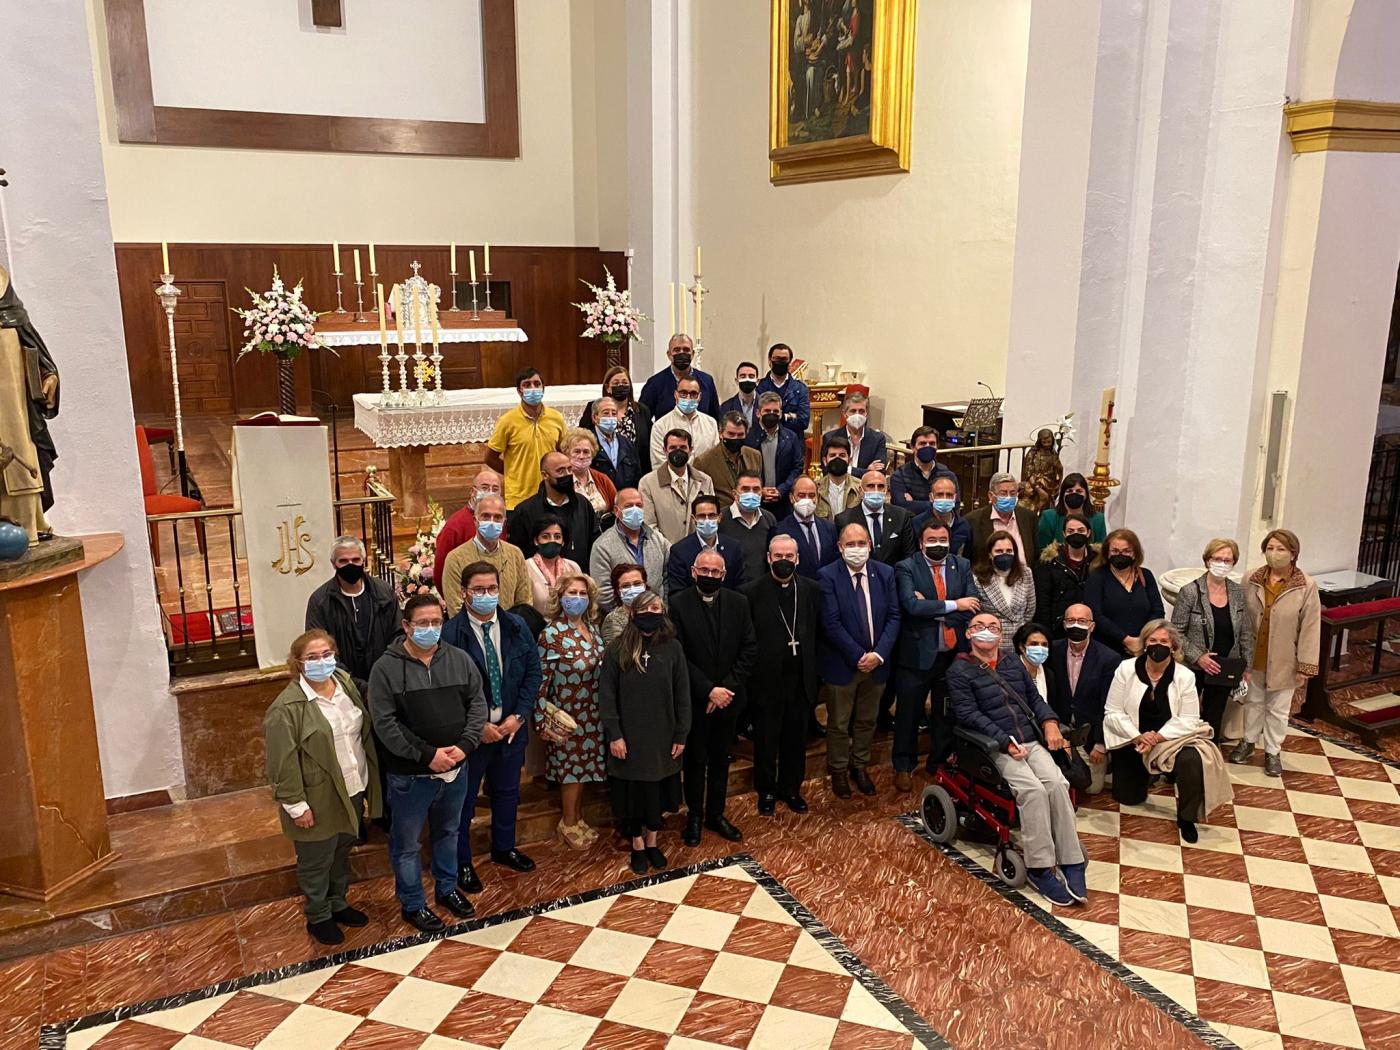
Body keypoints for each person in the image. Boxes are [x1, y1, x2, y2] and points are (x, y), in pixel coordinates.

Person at [947, 612, 1087, 907]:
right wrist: (1004, 741)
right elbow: (967, 714)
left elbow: (1034, 700)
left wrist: (1049, 721)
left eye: (993, 627)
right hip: (994, 745)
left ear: (1002, 635)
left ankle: (1071, 859)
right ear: (969, 634)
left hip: (1030, 739)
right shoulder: (959, 670)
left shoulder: (1012, 662)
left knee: (1058, 784)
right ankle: (1039, 867)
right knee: (1033, 791)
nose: (987, 631)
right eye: (980, 627)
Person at [367, 594, 485, 931]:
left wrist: (464, 746)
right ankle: (413, 903)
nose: (430, 629)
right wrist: (426, 755)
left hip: (456, 769)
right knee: (407, 845)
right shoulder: (385, 668)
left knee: (448, 833)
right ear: (406, 626)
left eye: (436, 622)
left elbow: (477, 704)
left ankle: (447, 889)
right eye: (422, 624)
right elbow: (385, 723)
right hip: (411, 775)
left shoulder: (459, 659)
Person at [265, 629, 381, 945]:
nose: (322, 662)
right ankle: (318, 915)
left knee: (342, 850)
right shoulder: (286, 708)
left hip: (352, 786)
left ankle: (338, 903)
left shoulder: (344, 685)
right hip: (315, 797)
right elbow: (281, 762)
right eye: (313, 657)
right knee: (317, 859)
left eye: (327, 654)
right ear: (298, 663)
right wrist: (295, 805)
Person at [442, 562, 542, 893]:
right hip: (472, 737)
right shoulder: (450, 634)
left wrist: (521, 714)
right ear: (464, 593)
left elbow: (532, 673)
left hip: (511, 728)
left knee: (507, 793)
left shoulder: (515, 626)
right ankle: (462, 862)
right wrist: (476, 726)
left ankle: (504, 847)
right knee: (465, 801)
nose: (487, 596)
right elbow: (447, 690)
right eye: (479, 590)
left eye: (492, 589)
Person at [1105, 620, 1231, 842]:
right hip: (1134, 737)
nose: (1158, 645)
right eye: (1152, 640)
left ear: (1173, 646)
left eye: (1164, 641)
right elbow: (1112, 711)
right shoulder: (1126, 669)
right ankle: (1148, 775)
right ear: (1144, 644)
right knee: (1128, 798)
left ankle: (1187, 817)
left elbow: (1190, 719)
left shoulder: (1184, 676)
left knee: (1191, 761)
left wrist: (1157, 737)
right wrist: (1138, 736)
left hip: (1170, 738)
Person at [600, 590, 690, 875]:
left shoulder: (673, 648)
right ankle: (637, 844)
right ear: (632, 613)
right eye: (645, 608)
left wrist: (681, 734)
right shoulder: (617, 649)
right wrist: (614, 734)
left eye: (656, 607)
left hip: (663, 735)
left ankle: (653, 841)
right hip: (628, 736)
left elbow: (682, 694)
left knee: (656, 793)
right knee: (633, 794)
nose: (651, 612)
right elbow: (607, 696)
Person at [671, 549, 757, 845]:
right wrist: (708, 689)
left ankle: (716, 813)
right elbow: (679, 655)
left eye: (715, 572)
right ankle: (694, 815)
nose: (709, 576)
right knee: (695, 760)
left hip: (730, 699)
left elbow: (749, 649)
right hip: (696, 699)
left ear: (724, 575)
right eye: (704, 571)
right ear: (694, 572)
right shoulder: (678, 604)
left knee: (721, 759)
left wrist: (725, 690)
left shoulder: (739, 602)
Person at [892, 520, 977, 789]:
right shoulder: (906, 567)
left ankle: (937, 763)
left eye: (943, 540)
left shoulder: (961, 565)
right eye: (932, 540)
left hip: (952, 654)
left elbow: (972, 605)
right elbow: (911, 606)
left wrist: (931, 607)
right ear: (921, 543)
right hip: (917, 654)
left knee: (945, 713)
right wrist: (954, 604)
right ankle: (903, 766)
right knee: (909, 713)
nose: (938, 545)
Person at [819, 523, 901, 798]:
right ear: (840, 547)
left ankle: (860, 766)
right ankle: (839, 770)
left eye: (861, 543)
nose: (857, 549)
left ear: (870, 545)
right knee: (839, 723)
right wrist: (858, 656)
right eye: (850, 544)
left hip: (877, 664)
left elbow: (894, 616)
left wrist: (877, 655)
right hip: (843, 664)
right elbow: (830, 623)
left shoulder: (885, 573)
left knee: (867, 720)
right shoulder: (827, 576)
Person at [1231, 529, 1321, 777]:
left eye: (1280, 549)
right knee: (1253, 702)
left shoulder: (1305, 586)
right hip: (1253, 655)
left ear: (1293, 553)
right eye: (1270, 548)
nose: (1274, 554)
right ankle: (1248, 742)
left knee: (1278, 709)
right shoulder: (1252, 578)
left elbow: (1310, 628)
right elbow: (1239, 617)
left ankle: (1272, 751)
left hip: (1284, 658)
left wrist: (1305, 665)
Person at [743, 534, 819, 814]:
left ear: (797, 559)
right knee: (766, 741)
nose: (784, 561)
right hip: (766, 681)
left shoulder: (810, 590)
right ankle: (766, 791)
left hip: (800, 680)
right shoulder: (751, 592)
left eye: (789, 556)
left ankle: (791, 789)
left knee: (796, 741)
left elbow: (817, 633)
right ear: (768, 558)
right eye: (778, 556)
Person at [535, 572, 607, 848]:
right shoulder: (551, 634)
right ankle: (567, 821)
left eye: (582, 594)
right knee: (570, 772)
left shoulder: (593, 628)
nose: (577, 598)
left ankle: (577, 816)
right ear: (559, 597)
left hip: (593, 712)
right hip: (566, 714)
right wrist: (542, 719)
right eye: (571, 593)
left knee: (586, 769)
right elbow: (541, 681)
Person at [1172, 538, 1255, 745]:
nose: (1222, 563)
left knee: (1214, 716)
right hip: (1194, 667)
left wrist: (1247, 665)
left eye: (1228, 560)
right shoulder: (1190, 592)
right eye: (1218, 558)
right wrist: (1198, 657)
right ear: (1207, 560)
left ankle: (1208, 759)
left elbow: (1245, 631)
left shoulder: (1237, 592)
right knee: (1186, 716)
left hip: (1224, 666)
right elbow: (1176, 632)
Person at [304, 536, 400, 696]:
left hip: (386, 682)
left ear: (364, 561)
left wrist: (384, 677)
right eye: (343, 561)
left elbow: (398, 636)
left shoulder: (384, 592)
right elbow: (318, 649)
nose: (351, 565)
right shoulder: (320, 601)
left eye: (356, 560)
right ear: (333, 564)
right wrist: (357, 686)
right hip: (342, 688)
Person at [1047, 603, 1117, 795]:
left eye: (1082, 621)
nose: (1076, 625)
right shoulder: (1052, 651)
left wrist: (1101, 744)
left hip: (1090, 734)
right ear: (1064, 624)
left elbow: (1109, 705)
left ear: (1092, 626)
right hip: (1059, 730)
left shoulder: (1109, 658)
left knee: (1092, 789)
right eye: (1070, 620)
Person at [486, 368, 567, 510]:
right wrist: (513, 474)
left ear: (543, 388)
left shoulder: (556, 418)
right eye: (527, 385)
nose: (533, 388)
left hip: (551, 494)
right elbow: (490, 457)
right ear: (519, 391)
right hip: (520, 497)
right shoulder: (507, 421)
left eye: (537, 384)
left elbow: (563, 452)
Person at [442, 494, 531, 617]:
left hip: (510, 630)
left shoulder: (515, 554)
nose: (491, 522)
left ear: (504, 522)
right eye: (486, 516)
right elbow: (456, 608)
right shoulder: (455, 558)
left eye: (497, 517)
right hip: (469, 632)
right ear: (475, 520)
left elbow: (524, 603)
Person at [1084, 528, 1164, 656]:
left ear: (1134, 553)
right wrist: (1126, 640)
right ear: (1107, 553)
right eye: (1115, 551)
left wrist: (1142, 640)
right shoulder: (1097, 578)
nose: (1120, 555)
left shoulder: (1146, 575)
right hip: (1107, 649)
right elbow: (1095, 615)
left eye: (1126, 551)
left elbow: (1158, 611)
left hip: (1142, 648)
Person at [510, 451, 598, 566]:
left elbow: (594, 542)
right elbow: (518, 554)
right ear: (545, 475)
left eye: (569, 469)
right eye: (560, 471)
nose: (567, 474)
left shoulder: (582, 504)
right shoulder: (525, 511)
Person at [590, 488, 671, 609]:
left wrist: (660, 608)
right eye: (628, 506)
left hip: (657, 613)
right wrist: (626, 615)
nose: (635, 509)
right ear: (617, 511)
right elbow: (603, 593)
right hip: (622, 619)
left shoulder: (658, 539)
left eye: (639, 505)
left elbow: (667, 576)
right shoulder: (602, 546)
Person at [638, 428, 715, 545]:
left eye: (683, 447)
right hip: (665, 553)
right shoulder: (647, 483)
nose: (678, 452)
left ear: (691, 450)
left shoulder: (705, 480)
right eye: (673, 448)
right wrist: (672, 550)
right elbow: (649, 526)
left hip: (700, 550)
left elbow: (710, 518)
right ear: (665, 450)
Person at [434, 469, 502, 590]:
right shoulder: (455, 525)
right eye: (485, 488)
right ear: (473, 491)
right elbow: (441, 572)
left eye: (495, 489)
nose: (490, 493)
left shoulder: (501, 521)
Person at [664, 493, 746, 595]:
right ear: (694, 519)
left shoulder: (733, 547)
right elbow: (677, 592)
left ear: (719, 517)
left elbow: (740, 586)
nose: (707, 520)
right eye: (702, 516)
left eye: (712, 515)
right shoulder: (679, 551)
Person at [972, 530, 1036, 655]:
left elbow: (1030, 610)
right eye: (999, 551)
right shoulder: (977, 578)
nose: (1005, 555)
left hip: (1019, 643)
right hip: (991, 644)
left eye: (1009, 551)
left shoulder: (1025, 573)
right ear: (990, 554)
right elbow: (977, 613)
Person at [1034, 512, 1096, 639]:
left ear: (1088, 533)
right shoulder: (1049, 561)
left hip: (1090, 627)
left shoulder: (1098, 560)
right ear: (1064, 534)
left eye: (1081, 530)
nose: (1076, 534)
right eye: (1071, 531)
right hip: (1058, 627)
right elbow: (1043, 602)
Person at [580, 368, 652, 473]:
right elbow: (583, 436)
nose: (621, 386)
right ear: (608, 387)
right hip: (600, 468)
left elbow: (648, 441)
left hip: (636, 470)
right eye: (616, 383)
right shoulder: (593, 407)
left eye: (624, 382)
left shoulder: (641, 410)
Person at [835, 469, 912, 567]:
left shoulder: (901, 516)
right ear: (861, 491)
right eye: (870, 486)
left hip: (893, 577)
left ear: (886, 490)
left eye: (880, 487)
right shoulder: (844, 520)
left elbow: (908, 555)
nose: (876, 490)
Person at [639, 333, 721, 422]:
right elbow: (642, 419)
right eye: (677, 350)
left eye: (686, 350)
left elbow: (715, 417)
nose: (682, 353)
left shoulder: (707, 381)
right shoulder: (655, 383)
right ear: (669, 355)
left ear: (692, 354)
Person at [749, 390, 803, 518]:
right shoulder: (748, 437)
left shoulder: (791, 437)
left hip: (783, 501)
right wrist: (759, 490)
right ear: (758, 413)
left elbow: (797, 467)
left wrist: (781, 490)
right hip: (755, 501)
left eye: (775, 412)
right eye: (767, 411)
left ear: (780, 414)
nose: (771, 415)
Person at [774, 475, 837, 579]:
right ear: (791, 497)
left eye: (811, 495)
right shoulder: (780, 530)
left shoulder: (829, 528)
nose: (807, 500)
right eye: (801, 495)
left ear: (817, 498)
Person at [694, 411, 762, 507]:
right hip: (723, 517)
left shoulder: (755, 455)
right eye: (731, 434)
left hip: (750, 512)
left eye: (740, 435)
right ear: (720, 434)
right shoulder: (703, 462)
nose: (735, 438)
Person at [967, 472, 1038, 565]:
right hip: (986, 578)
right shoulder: (973, 521)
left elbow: (1036, 556)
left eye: (1012, 493)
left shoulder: (1029, 518)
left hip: (1023, 577)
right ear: (991, 496)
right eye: (1003, 493)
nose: (1008, 497)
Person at [720, 470, 776, 583]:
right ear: (735, 494)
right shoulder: (720, 519)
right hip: (730, 590)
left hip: (760, 590)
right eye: (745, 489)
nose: (751, 493)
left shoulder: (769, 519)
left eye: (756, 489)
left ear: (761, 493)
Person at [651, 375, 720, 464]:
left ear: (699, 396)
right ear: (676, 394)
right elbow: (660, 463)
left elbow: (715, 458)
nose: (688, 398)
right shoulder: (660, 426)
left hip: (705, 477)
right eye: (683, 393)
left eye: (693, 394)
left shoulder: (711, 423)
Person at [522, 515, 581, 615]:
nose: (552, 541)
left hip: (570, 625)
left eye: (557, 537)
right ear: (536, 540)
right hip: (537, 628)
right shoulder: (525, 567)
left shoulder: (573, 567)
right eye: (545, 536)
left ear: (563, 542)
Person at [1036, 473, 1107, 553]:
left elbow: (1102, 551)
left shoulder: (1098, 518)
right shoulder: (1049, 516)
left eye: (1079, 491)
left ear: (1086, 494)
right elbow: (1041, 548)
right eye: (1069, 491)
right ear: (1063, 494)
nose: (1074, 494)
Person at [891, 426, 953, 517]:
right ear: (912, 447)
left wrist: (914, 503)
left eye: (932, 443)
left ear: (937, 447)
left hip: (940, 526)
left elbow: (954, 508)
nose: (928, 447)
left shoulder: (947, 475)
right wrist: (937, 505)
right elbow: (901, 507)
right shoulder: (899, 476)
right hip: (911, 527)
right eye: (923, 443)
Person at [910, 473, 972, 560]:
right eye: (939, 494)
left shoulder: (964, 525)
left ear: (955, 498)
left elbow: (967, 556)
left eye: (949, 495)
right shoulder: (917, 523)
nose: (944, 498)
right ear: (931, 497)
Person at [586, 398, 642, 493]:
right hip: (599, 499)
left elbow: (637, 474)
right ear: (595, 418)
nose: (611, 417)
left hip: (624, 498)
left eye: (614, 413)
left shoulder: (626, 443)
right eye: (606, 413)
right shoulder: (587, 443)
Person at [755, 342, 810, 434]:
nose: (780, 362)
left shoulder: (800, 388)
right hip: (764, 439)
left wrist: (780, 417)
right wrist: (790, 416)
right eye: (777, 358)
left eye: (784, 359)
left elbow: (803, 421)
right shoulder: (759, 387)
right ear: (769, 361)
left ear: (790, 362)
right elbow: (757, 418)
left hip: (793, 442)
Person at [561, 427, 617, 518]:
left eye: (586, 452)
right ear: (567, 453)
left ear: (593, 454)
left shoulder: (602, 479)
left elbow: (616, 507)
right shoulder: (561, 481)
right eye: (577, 451)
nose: (581, 456)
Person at [816, 434, 860, 521]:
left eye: (842, 455)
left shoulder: (860, 487)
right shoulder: (815, 489)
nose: (837, 459)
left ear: (849, 461)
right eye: (832, 455)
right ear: (825, 461)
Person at [602, 563, 649, 645]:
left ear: (645, 585)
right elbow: (615, 653)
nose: (633, 589)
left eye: (637, 584)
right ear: (618, 591)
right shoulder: (613, 620)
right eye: (626, 586)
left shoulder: (656, 612)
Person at [1014, 623, 1054, 704]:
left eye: (1044, 645)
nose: (1040, 648)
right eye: (1034, 644)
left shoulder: (1049, 674)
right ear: (1022, 647)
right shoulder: (1010, 672)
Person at [718, 360, 761, 428]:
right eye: (743, 376)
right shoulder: (725, 407)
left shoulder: (765, 405)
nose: (747, 379)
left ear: (757, 381)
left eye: (751, 376)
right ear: (737, 381)